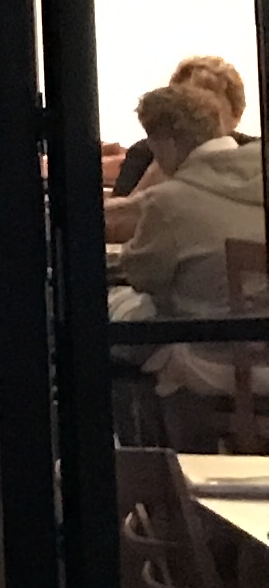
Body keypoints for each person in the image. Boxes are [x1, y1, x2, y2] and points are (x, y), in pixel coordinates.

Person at [109, 78, 268, 412]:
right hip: (263, 347)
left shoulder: (171, 201)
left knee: (115, 324)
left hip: (216, 358)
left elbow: (144, 275)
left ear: (166, 143)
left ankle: (149, 440)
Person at [110, 54, 252, 202]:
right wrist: (153, 176)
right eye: (186, 107)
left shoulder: (255, 154)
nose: (199, 118)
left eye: (211, 110)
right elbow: (115, 214)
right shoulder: (145, 153)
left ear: (236, 114)